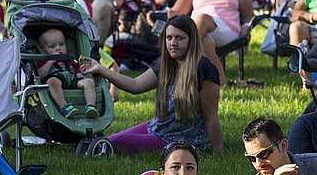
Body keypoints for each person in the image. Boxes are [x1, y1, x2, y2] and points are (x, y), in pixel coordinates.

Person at [83, 15, 222, 153]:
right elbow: (135, 85)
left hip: (182, 138)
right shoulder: (166, 64)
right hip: (161, 125)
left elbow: (211, 117)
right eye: (169, 37)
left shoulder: (203, 68)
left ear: (192, 41)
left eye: (179, 38)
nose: (173, 43)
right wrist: (101, 69)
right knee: (110, 139)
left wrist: (218, 152)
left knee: (113, 143)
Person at [34, 28, 98, 119]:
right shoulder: (44, 62)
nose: (58, 48)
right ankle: (65, 107)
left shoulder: (70, 60)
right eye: (52, 46)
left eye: (61, 44)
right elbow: (40, 75)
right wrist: (50, 61)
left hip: (72, 80)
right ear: (43, 50)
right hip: (57, 81)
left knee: (89, 81)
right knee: (52, 81)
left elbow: (77, 74)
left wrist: (83, 77)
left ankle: (91, 106)